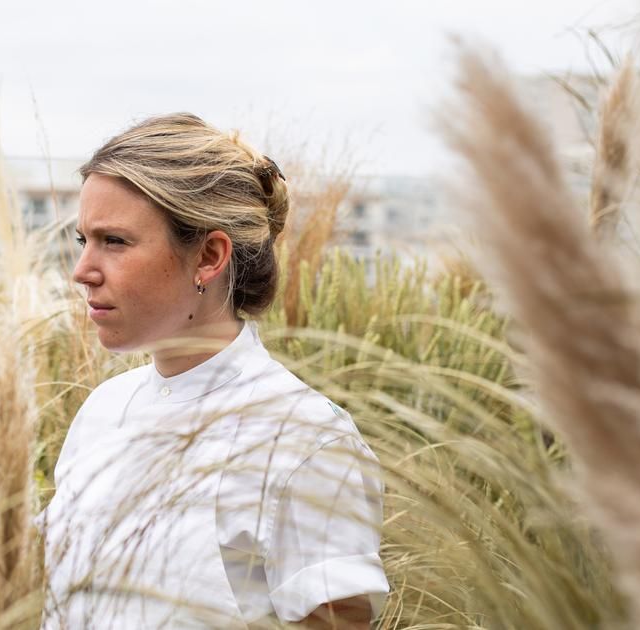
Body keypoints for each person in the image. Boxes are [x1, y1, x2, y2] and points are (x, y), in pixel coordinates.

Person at [41, 113, 388, 629]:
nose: (82, 271)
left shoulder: (305, 438)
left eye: (114, 241)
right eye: (82, 241)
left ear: (208, 256)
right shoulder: (103, 411)